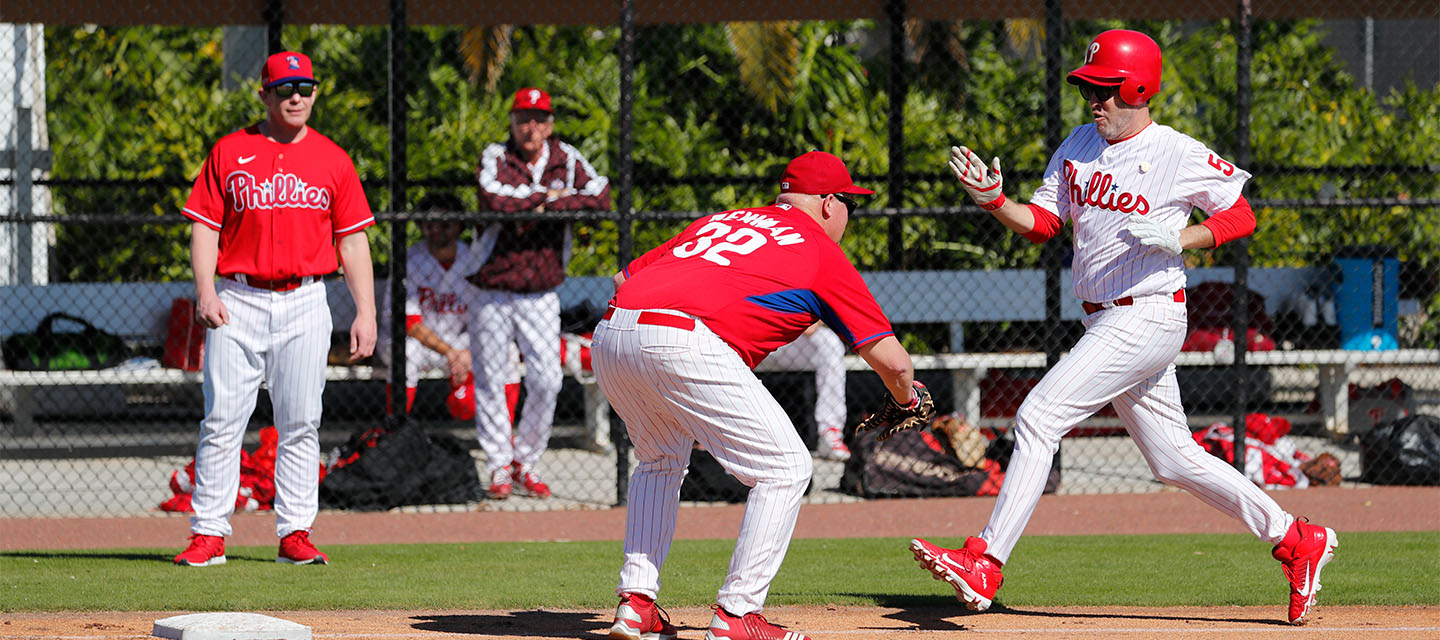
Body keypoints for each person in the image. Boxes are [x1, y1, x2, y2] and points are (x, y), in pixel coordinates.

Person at [909, 29, 1337, 625]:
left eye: (1106, 90)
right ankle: (1295, 539)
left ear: (1138, 88)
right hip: (1106, 319)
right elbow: (1043, 222)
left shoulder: (1176, 151)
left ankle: (986, 560)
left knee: (1037, 417)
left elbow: (1242, 214)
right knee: (1173, 460)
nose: (1095, 100)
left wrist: (1184, 236)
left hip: (1150, 312)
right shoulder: (1079, 144)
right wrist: (995, 202)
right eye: (1090, 88)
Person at [596, 151, 925, 640]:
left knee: (660, 461)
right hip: (682, 339)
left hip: (612, 332)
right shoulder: (818, 250)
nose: (848, 217)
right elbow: (894, 362)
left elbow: (626, 279)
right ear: (829, 203)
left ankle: (637, 603)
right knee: (787, 468)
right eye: (849, 205)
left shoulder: (722, 221)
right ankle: (737, 615)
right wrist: (909, 399)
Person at [174, 51, 376, 566]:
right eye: (285, 89)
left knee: (301, 421)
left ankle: (295, 533)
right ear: (263, 94)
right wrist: (206, 289)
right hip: (237, 297)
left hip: (307, 299)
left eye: (304, 88)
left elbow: (352, 242)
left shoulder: (333, 158)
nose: (295, 97)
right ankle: (209, 534)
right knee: (221, 420)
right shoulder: (230, 150)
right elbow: (205, 228)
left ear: (314, 93)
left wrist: (366, 311)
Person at [468, 87, 611, 500]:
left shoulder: (566, 158)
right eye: (522, 119)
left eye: (539, 119)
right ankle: (498, 465)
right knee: (493, 379)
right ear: (511, 122)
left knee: (548, 378)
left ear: (550, 124)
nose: (531, 127)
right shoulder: (497, 155)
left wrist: (545, 204)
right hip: (491, 288)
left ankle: (525, 462)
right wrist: (548, 199)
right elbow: (493, 197)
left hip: (541, 290)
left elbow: (600, 196)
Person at [378, 193, 477, 421]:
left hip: (459, 342)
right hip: (415, 341)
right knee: (406, 353)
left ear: (459, 225)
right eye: (430, 224)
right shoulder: (410, 259)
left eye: (445, 224)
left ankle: (500, 439)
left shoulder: (473, 259)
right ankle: (396, 427)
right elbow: (408, 323)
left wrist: (467, 353)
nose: (437, 230)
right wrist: (451, 353)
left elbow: (486, 317)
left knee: (504, 352)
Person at [756, 322, 851, 460]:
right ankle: (735, 443)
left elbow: (810, 327)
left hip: (789, 341)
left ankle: (829, 432)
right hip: (752, 337)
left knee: (829, 342)